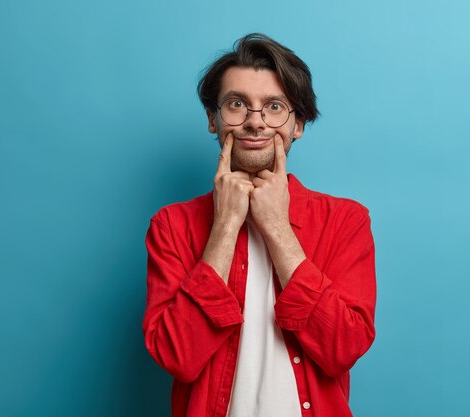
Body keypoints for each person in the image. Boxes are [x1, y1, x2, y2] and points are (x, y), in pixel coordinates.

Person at [143, 33, 376, 417]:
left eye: (274, 107)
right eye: (237, 104)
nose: (255, 122)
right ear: (212, 120)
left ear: (297, 123)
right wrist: (225, 226)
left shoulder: (346, 220)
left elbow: (343, 350)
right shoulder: (171, 225)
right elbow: (177, 357)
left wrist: (277, 228)